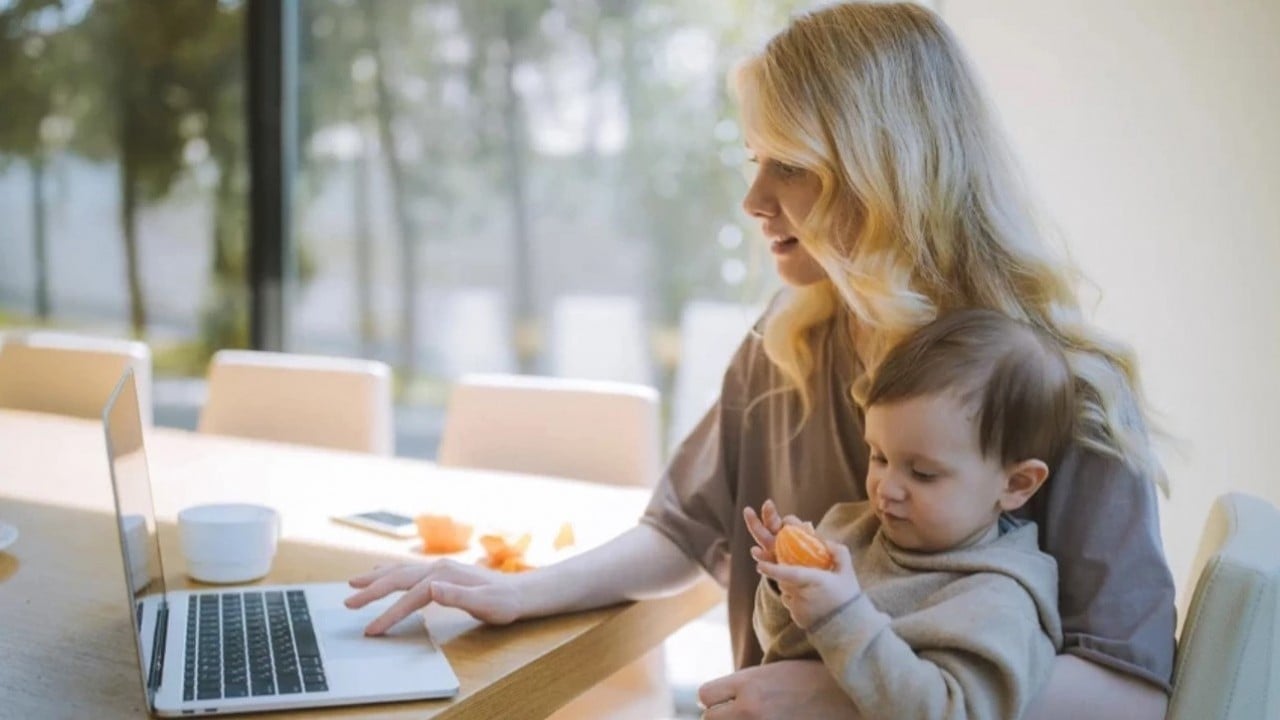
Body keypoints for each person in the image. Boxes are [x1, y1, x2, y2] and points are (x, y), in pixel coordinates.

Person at [344, 3, 1176, 718]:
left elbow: (1132, 690)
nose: (753, 202)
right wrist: (521, 591)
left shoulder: (1064, 388)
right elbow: (684, 530)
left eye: (792, 167)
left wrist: (851, 695)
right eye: (754, 162)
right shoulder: (790, 336)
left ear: (886, 174)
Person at [747, 309, 1073, 719]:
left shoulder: (998, 601)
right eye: (879, 456)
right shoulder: (850, 529)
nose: (886, 487)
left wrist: (840, 616)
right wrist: (786, 585)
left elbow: (948, 712)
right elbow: (779, 644)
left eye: (922, 473)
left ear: (1016, 484)